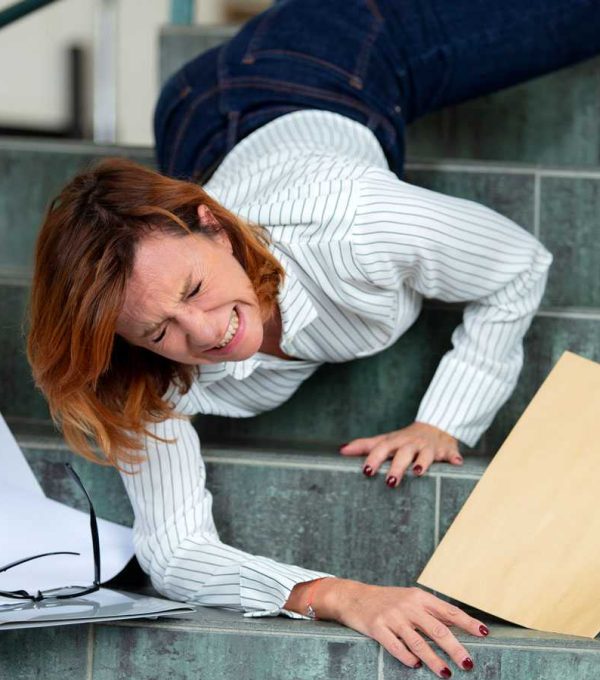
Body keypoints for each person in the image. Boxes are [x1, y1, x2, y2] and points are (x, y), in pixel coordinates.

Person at [26, 1, 600, 678]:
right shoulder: (147, 363)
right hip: (189, 114)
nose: (205, 332)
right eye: (161, 329)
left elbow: (515, 263)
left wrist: (445, 418)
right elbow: (176, 553)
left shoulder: (359, 227)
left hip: (318, 64)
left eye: (193, 292)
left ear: (213, 225)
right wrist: (335, 595)